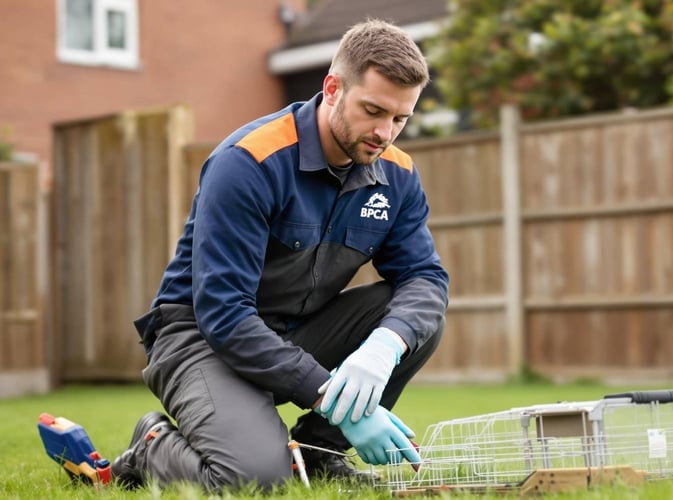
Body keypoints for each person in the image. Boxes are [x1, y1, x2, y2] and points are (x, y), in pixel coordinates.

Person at [110, 18, 449, 492]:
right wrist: (329, 393)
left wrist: (384, 346)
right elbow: (224, 314)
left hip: (293, 332)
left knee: (412, 319)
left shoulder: (398, 175)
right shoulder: (248, 162)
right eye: (373, 110)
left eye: (400, 119)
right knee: (253, 478)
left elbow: (425, 277)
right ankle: (151, 447)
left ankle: (321, 454)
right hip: (200, 337)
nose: (384, 132)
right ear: (332, 88)